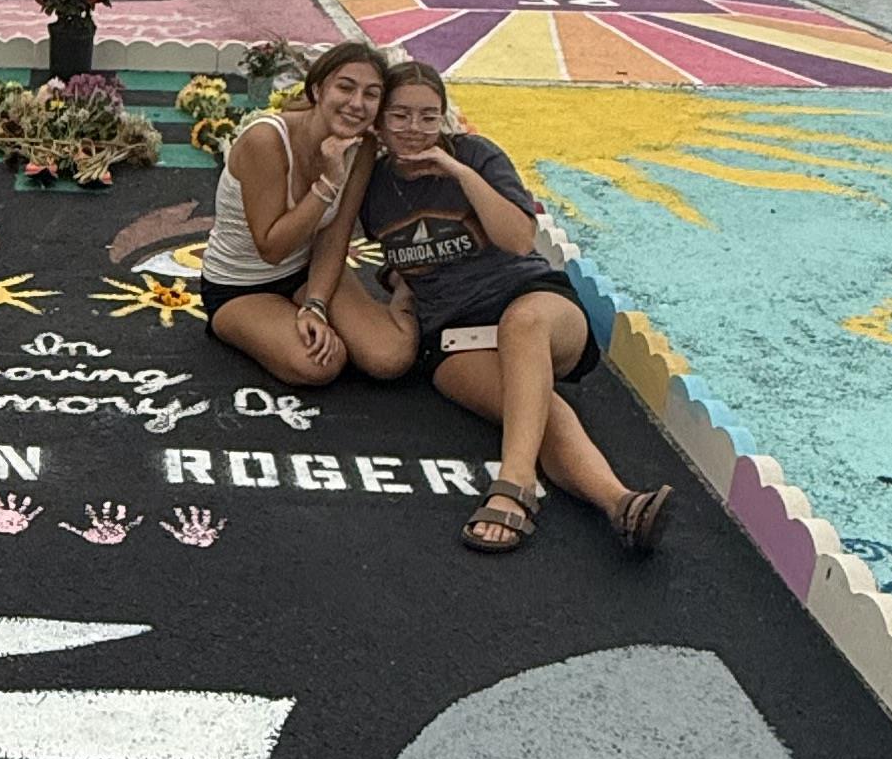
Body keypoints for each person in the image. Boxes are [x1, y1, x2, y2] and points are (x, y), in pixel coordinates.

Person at [323, 59, 668, 559]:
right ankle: (622, 504)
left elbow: (517, 237)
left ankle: (515, 484)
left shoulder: (476, 155)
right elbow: (381, 251)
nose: (414, 130)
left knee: (523, 326)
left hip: (536, 306)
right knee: (533, 410)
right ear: (379, 121)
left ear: (443, 116)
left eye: (427, 116)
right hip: (453, 335)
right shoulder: (373, 183)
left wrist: (457, 171)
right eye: (399, 116)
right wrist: (393, 287)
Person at [193, 39, 409, 386]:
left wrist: (316, 305)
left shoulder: (362, 145)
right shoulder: (266, 140)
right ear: (318, 89)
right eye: (345, 87)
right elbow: (273, 249)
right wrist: (328, 182)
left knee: (390, 357)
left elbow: (335, 235)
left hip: (308, 270)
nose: (357, 104)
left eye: (371, 94)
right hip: (240, 286)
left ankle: (406, 287)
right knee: (321, 362)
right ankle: (246, 325)